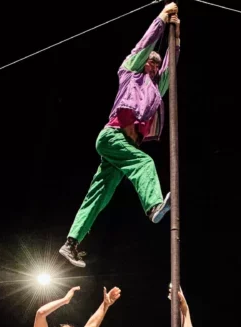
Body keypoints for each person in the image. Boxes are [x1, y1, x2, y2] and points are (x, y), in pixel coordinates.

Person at [58, 2, 181, 268]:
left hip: (119, 149)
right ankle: (153, 207)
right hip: (112, 137)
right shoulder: (129, 73)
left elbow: (171, 68)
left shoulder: (156, 88)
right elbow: (145, 44)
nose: (154, 64)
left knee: (99, 194)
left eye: (156, 64)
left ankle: (71, 243)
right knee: (144, 163)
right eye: (151, 60)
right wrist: (161, 18)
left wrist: (177, 35)